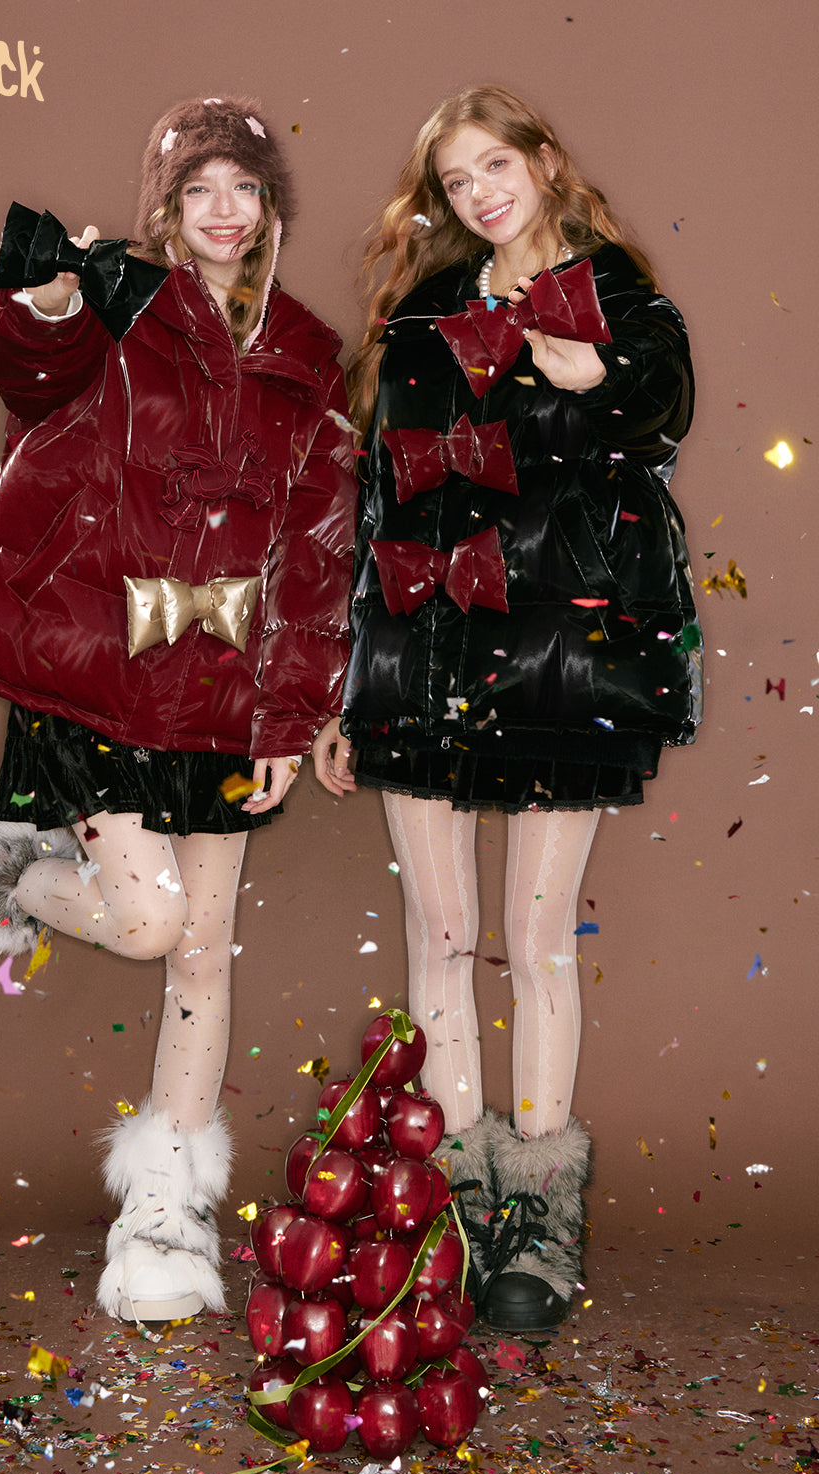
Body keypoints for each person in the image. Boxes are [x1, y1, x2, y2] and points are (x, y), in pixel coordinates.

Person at [0, 96, 355, 1324]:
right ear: (167, 205)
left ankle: (164, 1217)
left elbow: (315, 558)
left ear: (269, 208)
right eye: (199, 188)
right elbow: (35, 381)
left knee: (203, 948)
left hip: (223, 692)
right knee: (148, 925)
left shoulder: (309, 355)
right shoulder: (118, 305)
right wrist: (47, 307)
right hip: (98, 670)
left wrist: (289, 720)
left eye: (243, 188)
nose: (222, 211)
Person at [313, 85, 701, 1332]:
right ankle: (454, 1201)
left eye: (495, 165)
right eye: (455, 180)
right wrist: (345, 687)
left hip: (554, 660)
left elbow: (658, 418)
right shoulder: (423, 313)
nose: (479, 193)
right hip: (420, 652)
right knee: (438, 936)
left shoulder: (617, 299)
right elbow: (378, 502)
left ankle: (538, 1216)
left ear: (542, 161)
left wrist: (595, 382)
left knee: (534, 945)